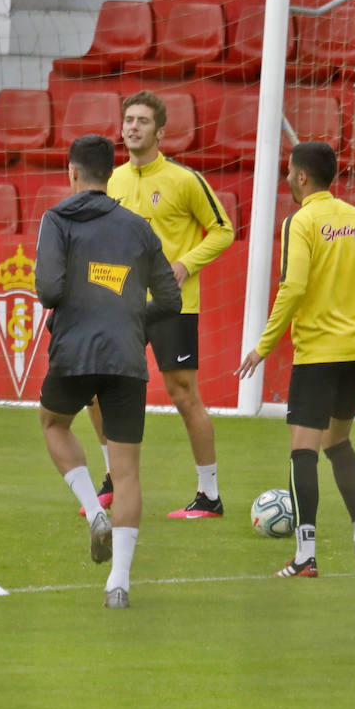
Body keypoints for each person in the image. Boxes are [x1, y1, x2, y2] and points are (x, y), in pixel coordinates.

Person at [35, 134, 181, 609]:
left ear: (72, 173)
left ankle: (93, 512)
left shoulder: (57, 218)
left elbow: (49, 290)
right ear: (111, 173)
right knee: (128, 472)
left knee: (54, 423)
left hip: (74, 351)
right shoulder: (137, 226)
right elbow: (172, 299)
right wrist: (133, 317)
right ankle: (118, 582)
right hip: (125, 356)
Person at [237, 140, 355, 578]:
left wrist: (263, 346)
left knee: (303, 451)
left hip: (319, 353)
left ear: (302, 177)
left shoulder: (300, 222)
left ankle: (305, 556)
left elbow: (294, 287)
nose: (286, 177)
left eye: (289, 171)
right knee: (338, 442)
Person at [84, 90, 234, 519]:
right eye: (128, 119)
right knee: (94, 389)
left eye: (142, 121)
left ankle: (209, 495)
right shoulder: (111, 182)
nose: (132, 126)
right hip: (120, 305)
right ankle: (112, 478)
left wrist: (186, 264)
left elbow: (222, 230)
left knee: (184, 395)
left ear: (161, 131)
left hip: (172, 305)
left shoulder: (184, 181)